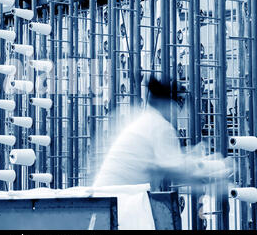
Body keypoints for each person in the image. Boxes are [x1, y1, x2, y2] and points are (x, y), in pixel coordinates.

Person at [93, 76, 231, 190]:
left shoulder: (145, 120)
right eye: (179, 103)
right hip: (119, 201)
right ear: (167, 104)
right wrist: (216, 172)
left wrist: (195, 158)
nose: (179, 109)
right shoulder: (160, 126)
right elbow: (175, 170)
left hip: (108, 195)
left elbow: (166, 162)